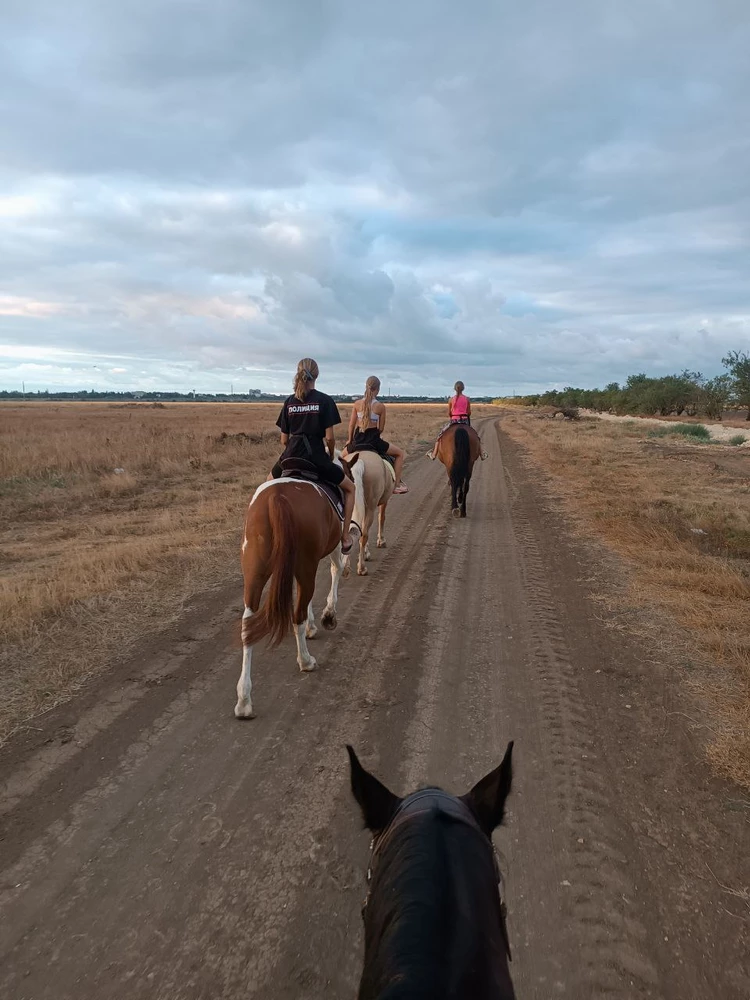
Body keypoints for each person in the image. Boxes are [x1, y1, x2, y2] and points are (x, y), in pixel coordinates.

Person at [269, 358, 355, 553]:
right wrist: (329, 452)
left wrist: (292, 448)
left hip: (290, 457)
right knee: (350, 489)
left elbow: (284, 440)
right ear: (317, 375)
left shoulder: (289, 402)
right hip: (315, 458)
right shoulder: (324, 400)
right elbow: (330, 438)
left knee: (266, 484)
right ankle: (345, 537)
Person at [343, 376, 409, 494]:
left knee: (340, 459)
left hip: (357, 441)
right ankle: (397, 485)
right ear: (377, 389)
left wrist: (349, 440)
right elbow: (381, 428)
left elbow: (351, 426)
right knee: (399, 454)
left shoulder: (357, 404)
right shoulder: (380, 406)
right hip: (373, 441)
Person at [427, 380, 476, 460]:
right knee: (475, 435)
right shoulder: (467, 399)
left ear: (455, 389)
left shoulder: (451, 400)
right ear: (463, 388)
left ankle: (433, 454)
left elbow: (449, 413)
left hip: (454, 421)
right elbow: (469, 412)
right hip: (464, 421)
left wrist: (454, 416)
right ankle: (481, 453)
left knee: (440, 436)